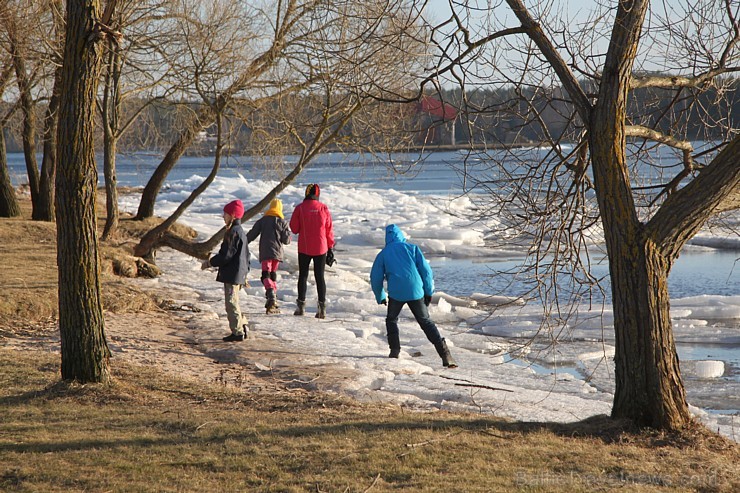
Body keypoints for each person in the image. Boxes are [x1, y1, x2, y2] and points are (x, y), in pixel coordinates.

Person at [370, 224, 457, 368]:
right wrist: (429, 292)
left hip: (396, 293)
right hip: (416, 291)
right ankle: (445, 354)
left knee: (392, 320)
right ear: (401, 235)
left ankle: (395, 351)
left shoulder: (383, 254)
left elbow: (375, 277)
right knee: (426, 322)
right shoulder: (412, 249)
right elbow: (426, 272)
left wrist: (380, 296)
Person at [202, 199, 250, 342]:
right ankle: (242, 326)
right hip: (238, 273)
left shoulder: (233, 232)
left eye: (226, 214)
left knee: (231, 303)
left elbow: (226, 255)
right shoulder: (240, 231)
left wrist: (210, 262)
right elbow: (247, 255)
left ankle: (238, 332)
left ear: (233, 216)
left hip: (233, 274)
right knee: (234, 300)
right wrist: (245, 272)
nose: (223, 216)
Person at [289, 183, 335, 319]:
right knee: (319, 277)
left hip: (305, 247)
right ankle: (322, 309)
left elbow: (294, 228)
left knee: (303, 276)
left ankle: (300, 307)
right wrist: (330, 247)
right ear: (317, 195)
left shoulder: (300, 208)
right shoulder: (323, 208)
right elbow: (329, 230)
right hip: (321, 247)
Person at [246, 198, 291, 314]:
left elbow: (252, 234)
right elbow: (286, 241)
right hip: (277, 254)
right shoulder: (283, 222)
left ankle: (270, 293)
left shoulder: (263, 220)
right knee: (273, 275)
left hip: (266, 252)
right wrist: (287, 233)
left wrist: (242, 242)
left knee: (265, 275)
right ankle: (272, 301)